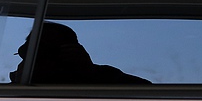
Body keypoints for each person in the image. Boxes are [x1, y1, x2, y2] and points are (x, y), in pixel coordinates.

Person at [10, 22, 151, 84]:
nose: (38, 58)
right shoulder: (9, 90)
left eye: (47, 50)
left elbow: (146, 92)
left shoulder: (102, 78)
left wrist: (91, 73)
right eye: (29, 52)